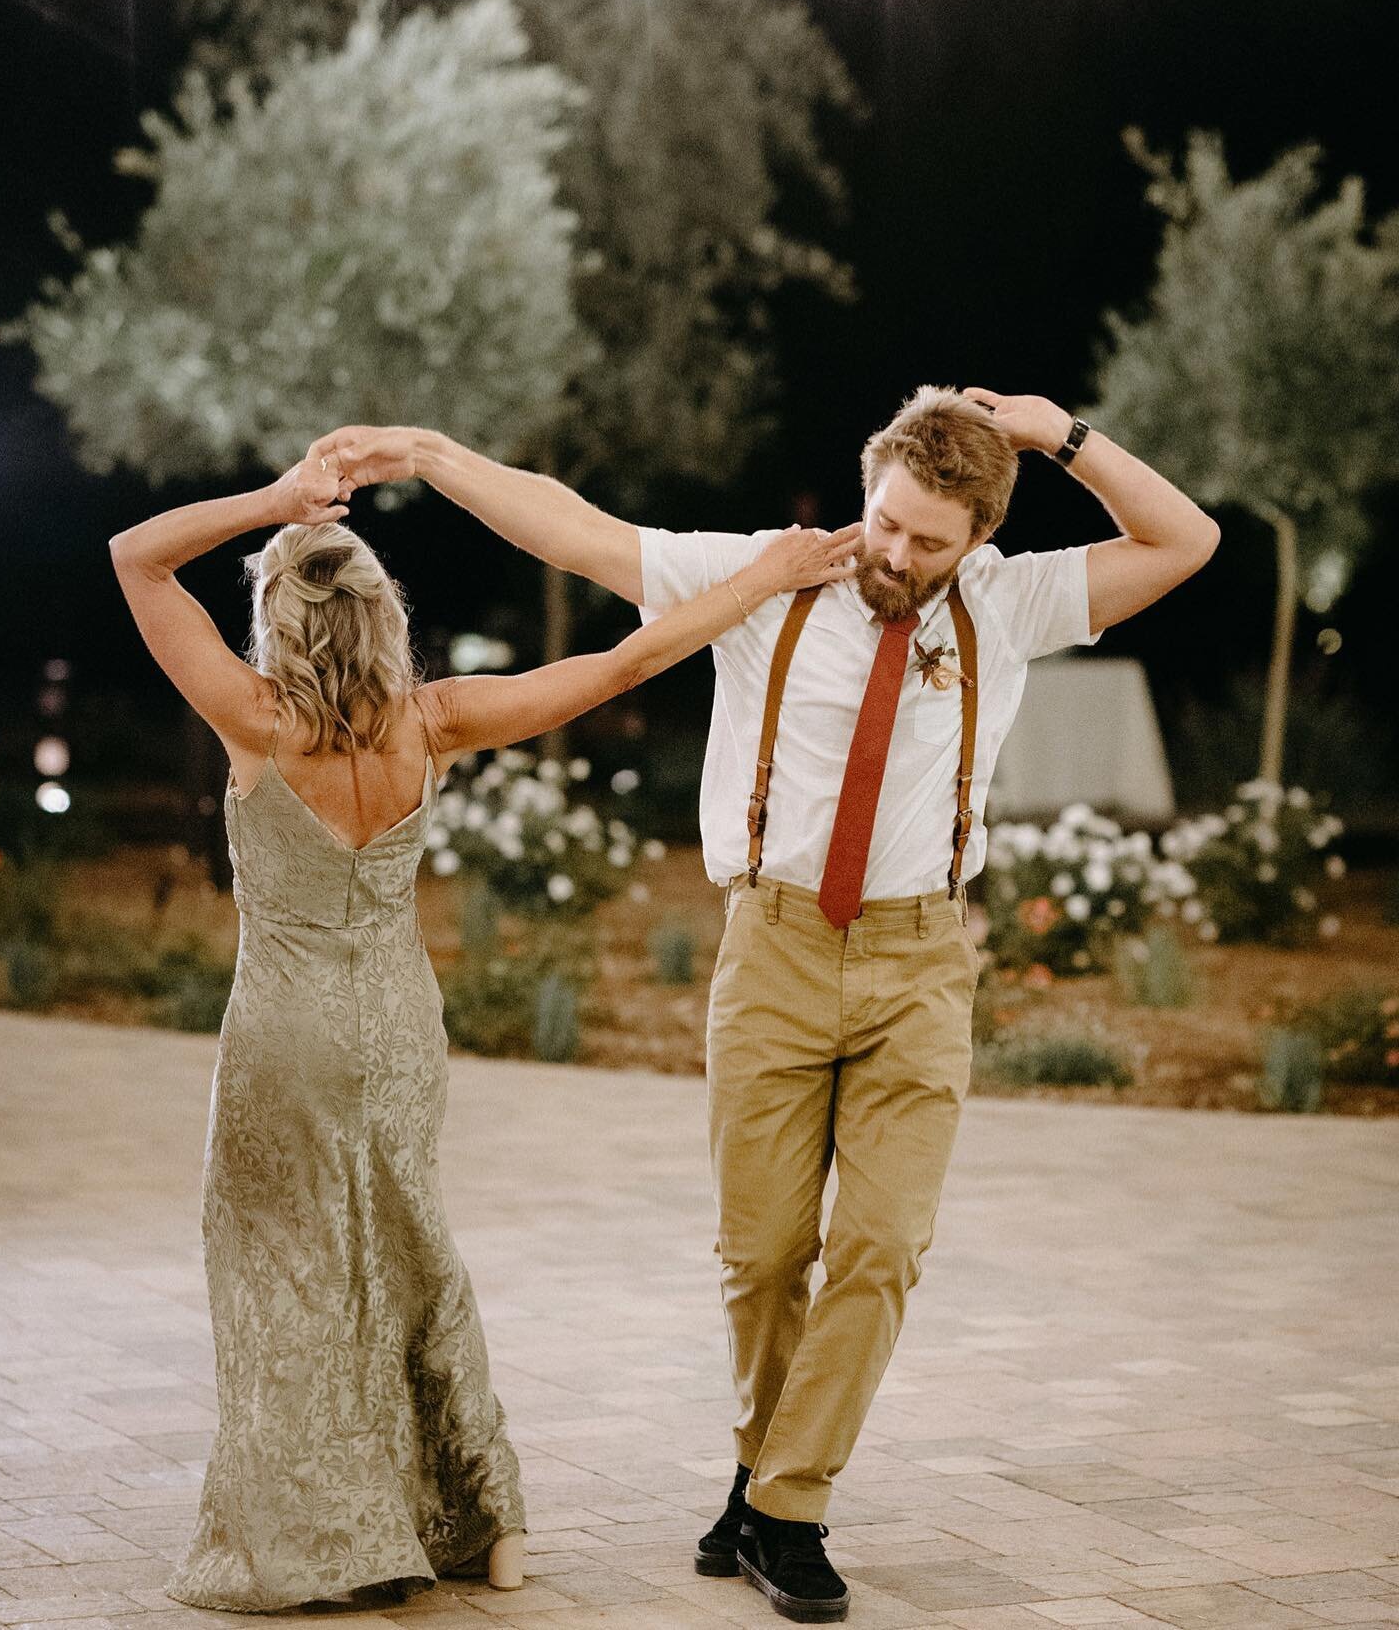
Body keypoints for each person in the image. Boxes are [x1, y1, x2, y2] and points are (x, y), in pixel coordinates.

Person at [311, 385, 1220, 1624]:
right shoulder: (762, 581)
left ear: (979, 538)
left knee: (885, 1245)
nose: (896, 554)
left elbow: (1186, 542)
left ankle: (788, 1506)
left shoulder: (1006, 607)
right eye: (886, 521)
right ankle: (757, 1474)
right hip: (774, 947)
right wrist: (425, 449)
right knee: (762, 1255)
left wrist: (1060, 434)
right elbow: (572, 529)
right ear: (868, 491)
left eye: (929, 540)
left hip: (919, 961)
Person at [108, 449, 859, 1614]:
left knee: (292, 1274)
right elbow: (629, 657)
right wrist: (769, 574)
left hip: (285, 1031)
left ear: (281, 622)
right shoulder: (435, 721)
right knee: (412, 1256)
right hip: (402, 1026)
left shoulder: (256, 722)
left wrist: (277, 503)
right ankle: (486, 1524)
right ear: (382, 619)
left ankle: (328, 1544)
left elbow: (134, 555)